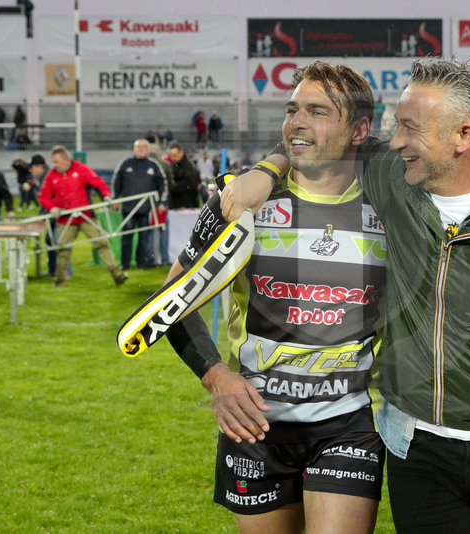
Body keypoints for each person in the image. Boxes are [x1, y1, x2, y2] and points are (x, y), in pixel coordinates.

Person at [224, 57, 470, 534]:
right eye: (396, 126)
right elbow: (316, 134)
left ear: (463, 135)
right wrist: (266, 170)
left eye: (410, 129)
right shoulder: (395, 177)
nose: (395, 140)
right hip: (416, 447)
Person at [164, 62, 387, 534]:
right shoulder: (239, 202)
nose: (297, 121)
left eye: (318, 111)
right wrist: (216, 377)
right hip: (255, 424)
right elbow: (171, 299)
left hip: (346, 421)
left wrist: (271, 163)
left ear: (359, 129)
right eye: (292, 109)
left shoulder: (389, 202)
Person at [38, 145, 127, 287]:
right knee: (63, 249)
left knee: (102, 244)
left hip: (86, 217)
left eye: (56, 162)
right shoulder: (52, 175)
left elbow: (98, 183)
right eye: (53, 162)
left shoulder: (81, 169)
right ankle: (60, 280)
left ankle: (117, 275)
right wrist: (52, 208)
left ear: (66, 160)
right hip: (65, 219)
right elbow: (44, 196)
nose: (53, 165)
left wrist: (106, 197)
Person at [111, 139, 167, 271]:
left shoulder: (154, 165)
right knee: (126, 238)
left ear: (148, 149)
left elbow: (163, 184)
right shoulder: (125, 164)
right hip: (128, 209)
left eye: (143, 147)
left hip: (146, 210)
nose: (141, 149)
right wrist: (114, 199)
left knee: (144, 239)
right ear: (134, 149)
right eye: (138, 147)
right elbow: (116, 182)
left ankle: (141, 264)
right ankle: (124, 264)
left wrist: (163, 202)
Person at [29, 154, 67, 277]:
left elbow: (50, 198)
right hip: (54, 213)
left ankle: (64, 272)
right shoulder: (44, 177)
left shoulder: (48, 177)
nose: (32, 171)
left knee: (57, 241)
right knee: (49, 240)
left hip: (59, 213)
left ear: (40, 167)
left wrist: (42, 216)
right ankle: (52, 270)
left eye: (33, 168)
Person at [147, 143, 173, 266]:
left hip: (147, 203)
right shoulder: (165, 165)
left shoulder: (145, 164)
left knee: (150, 232)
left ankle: (151, 258)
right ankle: (164, 259)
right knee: (163, 231)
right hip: (162, 203)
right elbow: (170, 184)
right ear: (158, 152)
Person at [167, 143, 202, 209]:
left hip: (188, 204)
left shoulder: (189, 167)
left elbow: (191, 184)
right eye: (171, 156)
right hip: (176, 203)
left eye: (175, 155)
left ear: (181, 153)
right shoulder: (174, 165)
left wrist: (173, 186)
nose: (172, 158)